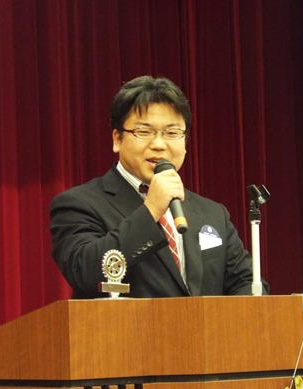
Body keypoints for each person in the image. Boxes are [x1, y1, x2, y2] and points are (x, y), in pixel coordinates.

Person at [50, 75, 266, 298]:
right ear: (117, 139)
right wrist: (151, 210)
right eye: (144, 132)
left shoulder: (213, 213)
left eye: (172, 133)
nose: (159, 144)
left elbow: (247, 283)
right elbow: (84, 272)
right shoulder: (78, 204)